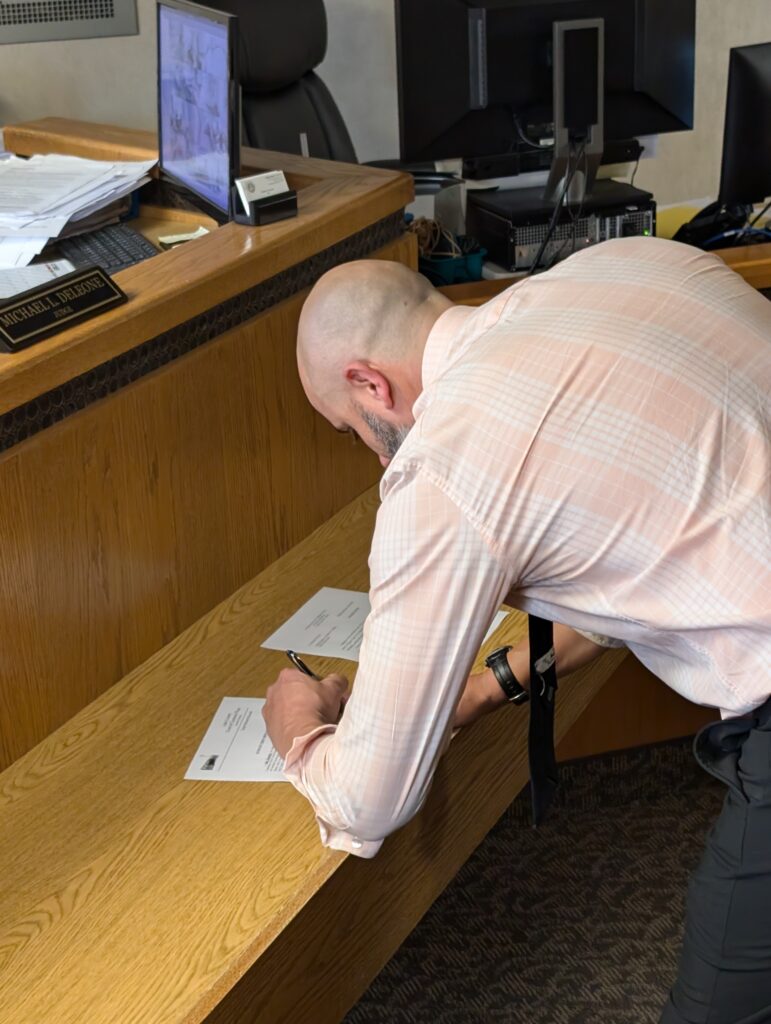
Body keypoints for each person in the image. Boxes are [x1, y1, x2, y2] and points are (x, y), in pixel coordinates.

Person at [263, 236, 771, 1024]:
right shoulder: (631, 261)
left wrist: (297, 724)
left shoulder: (442, 467)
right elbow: (643, 547)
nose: (369, 455)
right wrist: (485, 689)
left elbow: (370, 800)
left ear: (367, 382)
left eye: (349, 429)